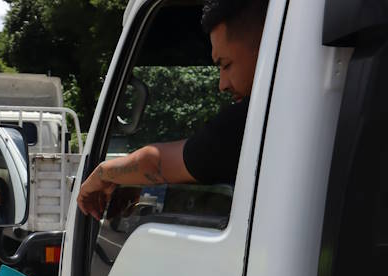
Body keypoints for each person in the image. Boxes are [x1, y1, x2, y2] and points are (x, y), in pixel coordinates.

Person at [78, 0, 269, 220]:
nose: (222, 84)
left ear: (266, 45)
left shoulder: (253, 121)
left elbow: (156, 162)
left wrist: (104, 173)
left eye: (226, 64)